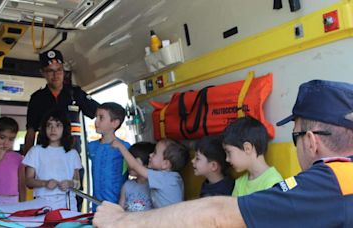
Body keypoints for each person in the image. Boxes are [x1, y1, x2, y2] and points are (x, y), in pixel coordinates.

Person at [93, 79, 353, 227]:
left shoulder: (330, 183)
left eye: (294, 136)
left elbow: (219, 213)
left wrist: (120, 220)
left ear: (310, 141)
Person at [24, 49, 99, 154]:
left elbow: (99, 112)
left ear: (63, 71)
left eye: (59, 70)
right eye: (50, 71)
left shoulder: (75, 93)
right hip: (44, 158)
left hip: (71, 157)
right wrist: (27, 161)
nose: (55, 75)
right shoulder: (37, 98)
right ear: (43, 73)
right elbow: (31, 132)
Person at [22, 109, 82, 211]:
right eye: (49, 125)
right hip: (42, 202)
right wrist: (44, 183)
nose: (53, 129)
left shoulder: (72, 153)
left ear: (65, 128)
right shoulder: (36, 151)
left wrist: (70, 183)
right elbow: (28, 181)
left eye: (58, 125)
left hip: (67, 202)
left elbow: (77, 182)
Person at [112, 138, 190, 208]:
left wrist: (121, 147)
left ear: (165, 164)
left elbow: (135, 166)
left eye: (155, 153)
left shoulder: (163, 178)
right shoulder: (174, 178)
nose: (150, 155)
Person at [221, 116, 283, 197]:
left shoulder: (273, 182)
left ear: (247, 148)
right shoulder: (239, 183)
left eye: (229, 152)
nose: (227, 159)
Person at [88, 102, 130, 210]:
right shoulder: (91, 146)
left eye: (101, 118)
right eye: (96, 117)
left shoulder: (125, 147)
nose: (96, 121)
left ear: (115, 123)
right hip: (96, 208)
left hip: (117, 207)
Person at [119, 142, 155, 212]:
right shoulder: (127, 186)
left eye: (134, 162)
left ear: (147, 164)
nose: (130, 165)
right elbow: (120, 210)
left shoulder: (154, 186)